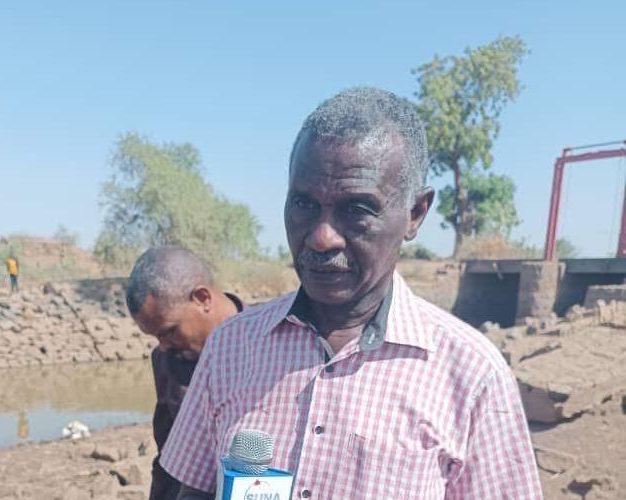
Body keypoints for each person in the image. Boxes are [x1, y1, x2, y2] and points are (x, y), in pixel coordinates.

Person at [162, 87, 543, 499]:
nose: (322, 237)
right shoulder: (231, 346)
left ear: (415, 214)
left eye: (357, 209)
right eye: (304, 204)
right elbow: (195, 491)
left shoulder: (473, 375)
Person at [126, 246, 244, 500]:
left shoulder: (278, 338)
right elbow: (169, 457)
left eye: (169, 331)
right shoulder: (165, 360)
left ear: (202, 299)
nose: (163, 345)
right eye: (155, 336)